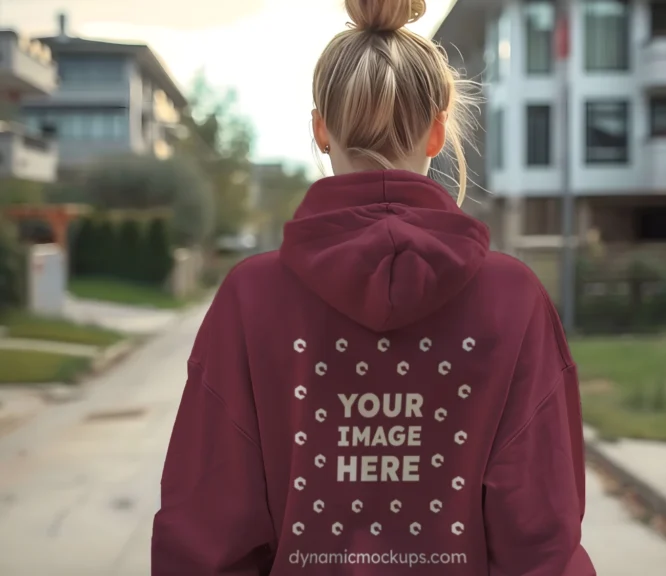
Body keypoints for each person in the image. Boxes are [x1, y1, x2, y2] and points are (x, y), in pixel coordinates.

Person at [151, 0, 596, 574]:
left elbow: (204, 530)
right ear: (439, 132)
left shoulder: (249, 298)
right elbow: (542, 540)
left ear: (320, 129)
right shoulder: (513, 299)